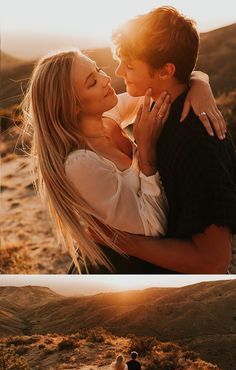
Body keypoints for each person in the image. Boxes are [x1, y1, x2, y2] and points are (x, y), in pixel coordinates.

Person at [22, 43, 226, 274]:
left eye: (97, 69)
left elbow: (163, 84)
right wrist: (147, 152)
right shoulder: (82, 164)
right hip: (118, 274)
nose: (106, 78)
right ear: (71, 106)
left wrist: (200, 84)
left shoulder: (108, 116)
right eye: (92, 82)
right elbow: (153, 227)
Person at [87, 6, 236, 274]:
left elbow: (213, 261)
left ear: (166, 71)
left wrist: (120, 240)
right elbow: (106, 116)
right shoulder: (157, 107)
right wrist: (199, 79)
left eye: (130, 65)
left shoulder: (199, 141)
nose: (119, 72)